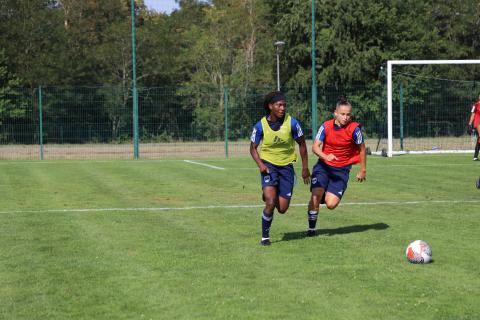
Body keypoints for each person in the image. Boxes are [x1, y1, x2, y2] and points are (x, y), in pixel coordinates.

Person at [250, 91, 310, 246]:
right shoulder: (260, 125)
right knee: (270, 202)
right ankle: (265, 237)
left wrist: (305, 168)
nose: (283, 108)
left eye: (284, 105)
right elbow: (253, 148)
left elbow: (302, 145)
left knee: (282, 209)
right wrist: (261, 165)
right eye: (279, 105)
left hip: (286, 168)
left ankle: (269, 192)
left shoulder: (292, 123)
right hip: (269, 166)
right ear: (271, 106)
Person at [306, 97, 366, 236]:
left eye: (348, 114)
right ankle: (311, 229)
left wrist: (362, 170)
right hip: (324, 167)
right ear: (335, 113)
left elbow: (362, 149)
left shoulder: (354, 130)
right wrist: (326, 156)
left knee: (331, 204)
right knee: (315, 196)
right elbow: (315, 147)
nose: (346, 117)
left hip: (342, 170)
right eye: (343, 114)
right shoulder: (325, 126)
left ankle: (322, 192)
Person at [468, 95, 480, 161]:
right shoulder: (475, 105)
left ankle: (475, 156)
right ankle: (475, 156)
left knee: (479, 139)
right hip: (478, 123)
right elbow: (473, 115)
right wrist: (470, 124)